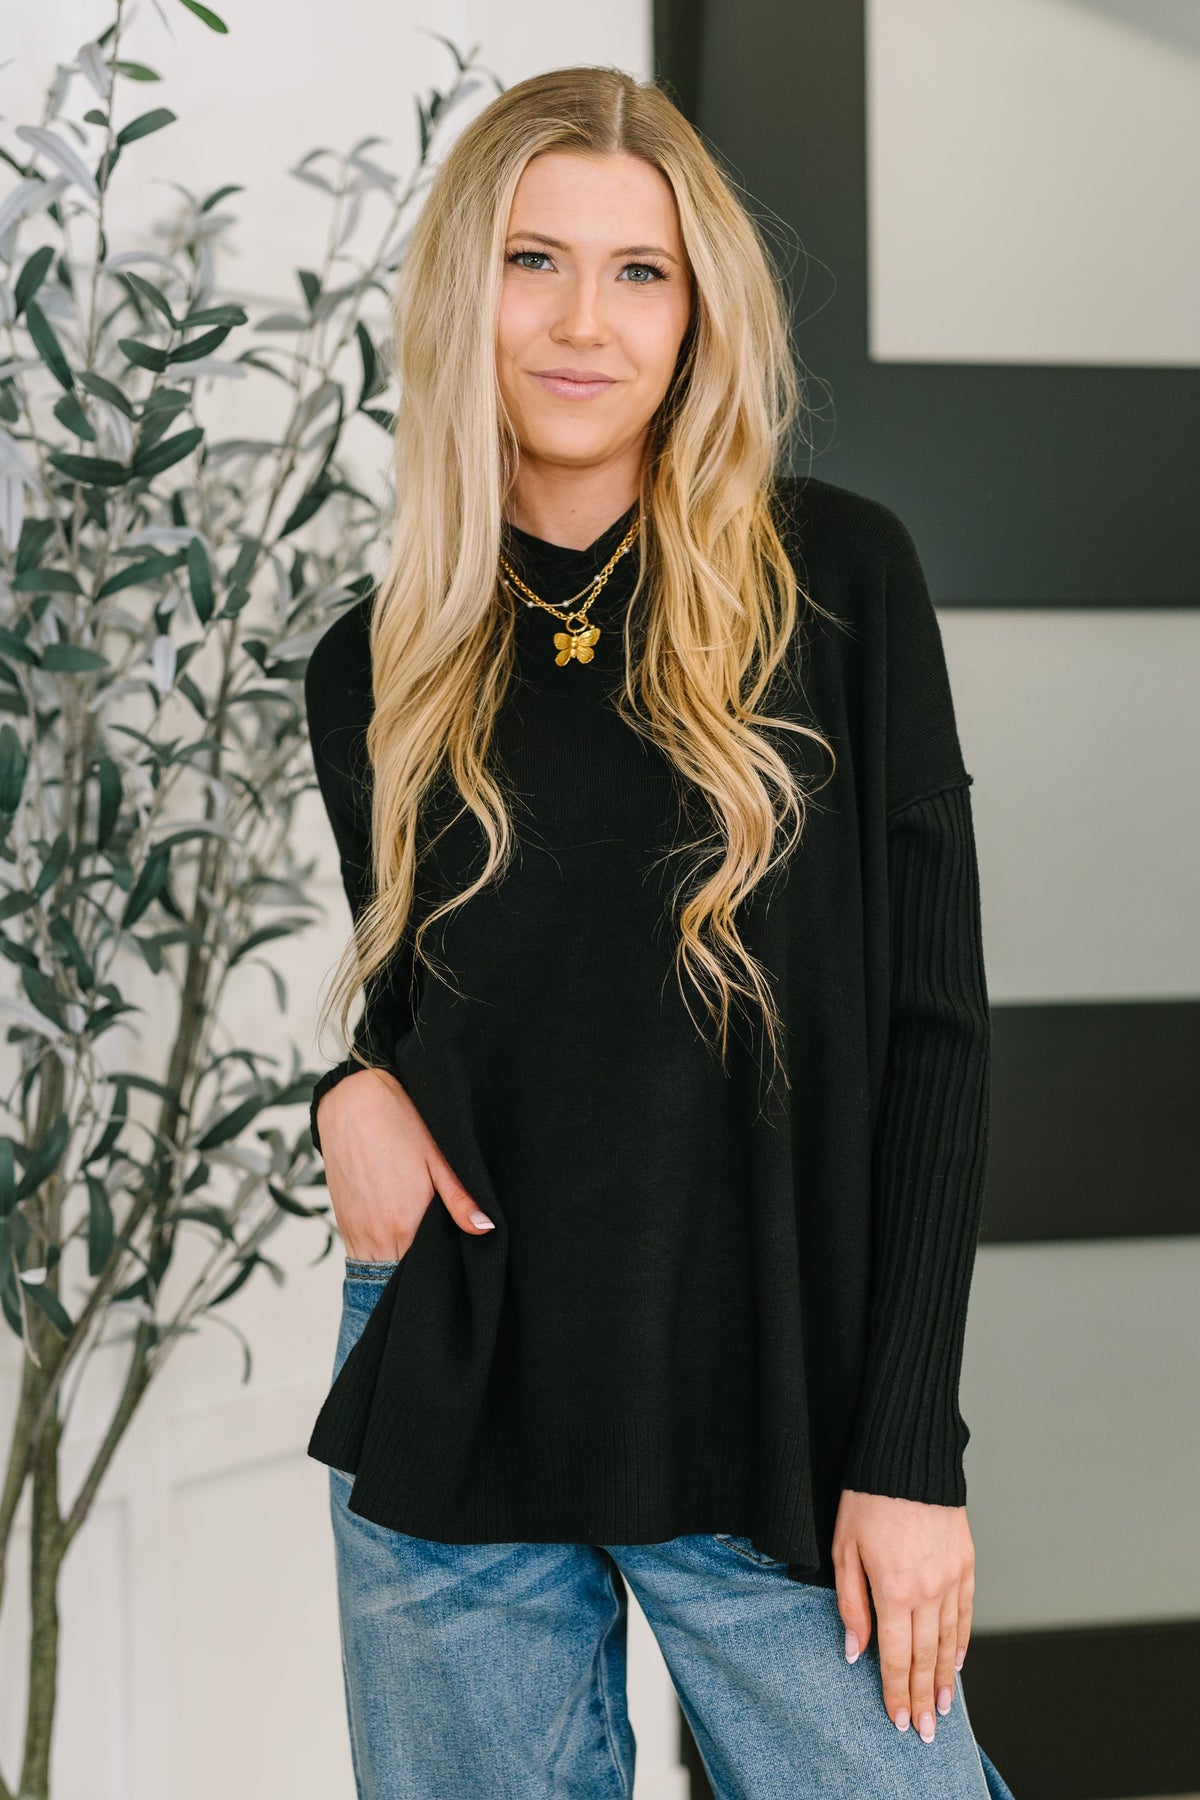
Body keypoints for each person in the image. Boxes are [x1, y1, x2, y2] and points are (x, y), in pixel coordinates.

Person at [302, 63, 1015, 1800]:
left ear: (698, 316)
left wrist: (909, 1451)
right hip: (461, 1390)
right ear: (467, 290)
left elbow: (936, 1040)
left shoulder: (840, 586)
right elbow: (446, 1021)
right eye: (535, 261)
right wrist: (342, 1090)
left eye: (640, 273)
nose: (582, 323)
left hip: (772, 1403)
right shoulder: (375, 664)